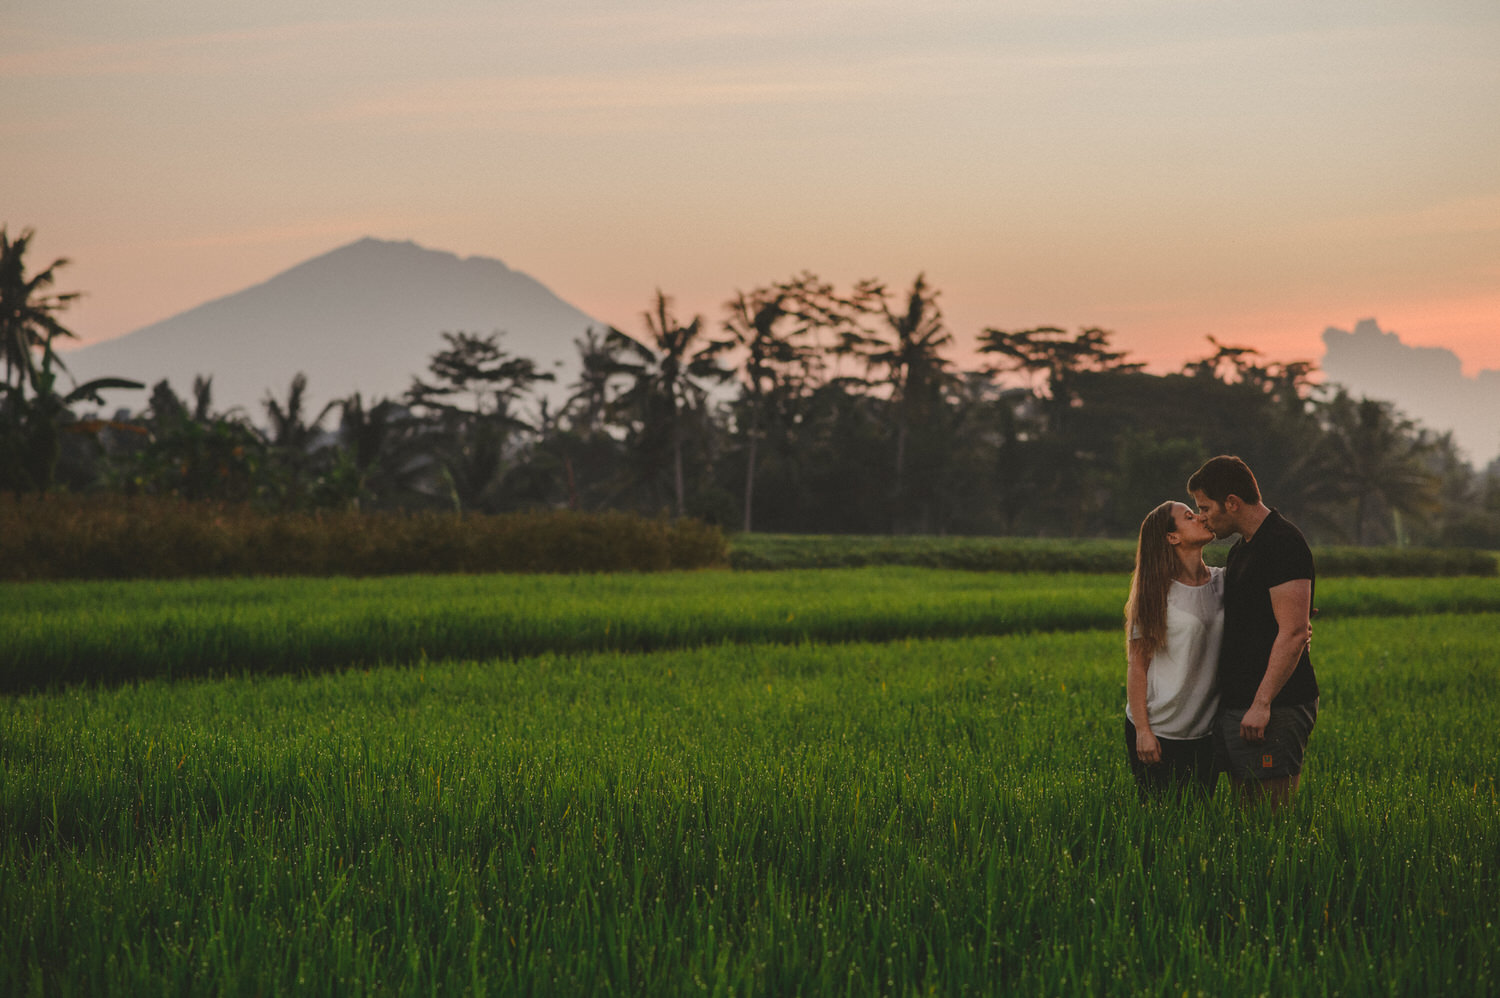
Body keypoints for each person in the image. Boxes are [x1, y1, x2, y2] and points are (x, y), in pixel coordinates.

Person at [1188, 454, 1318, 809]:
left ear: (1231, 502)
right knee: (1246, 821)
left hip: (1275, 704)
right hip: (1240, 703)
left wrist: (1262, 704)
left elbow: (1293, 632)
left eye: (1205, 507)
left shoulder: (1282, 542)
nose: (1202, 516)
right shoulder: (1242, 548)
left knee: (1269, 822)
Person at [1123, 499, 1222, 799]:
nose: (1201, 519)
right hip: (1159, 731)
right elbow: (1137, 665)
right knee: (1159, 828)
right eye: (1190, 517)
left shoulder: (1224, 581)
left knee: (1198, 828)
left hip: (1206, 733)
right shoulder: (1155, 593)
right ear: (1172, 537)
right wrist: (1143, 731)